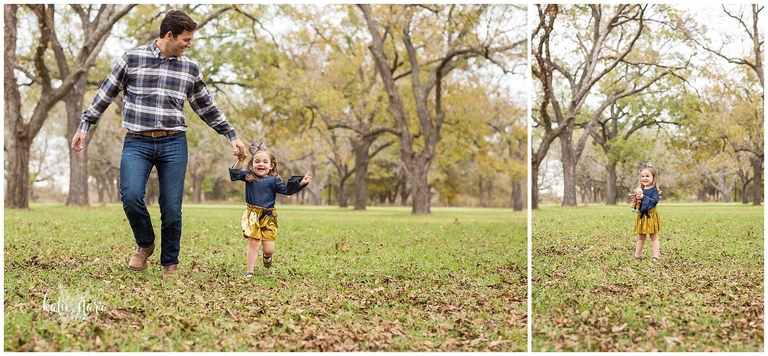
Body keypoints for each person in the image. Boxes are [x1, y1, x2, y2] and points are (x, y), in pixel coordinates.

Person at [70, 10, 247, 279]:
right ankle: (145, 243)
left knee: (172, 207)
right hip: (137, 141)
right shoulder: (132, 58)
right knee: (130, 197)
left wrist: (231, 135)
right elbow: (105, 94)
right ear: (169, 35)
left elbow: (206, 106)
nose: (189, 44)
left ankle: (170, 263)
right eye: (186, 39)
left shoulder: (190, 68)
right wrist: (85, 126)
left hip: (174, 143)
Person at [230, 142, 311, 278]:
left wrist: (301, 183)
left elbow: (287, 190)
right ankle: (249, 271)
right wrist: (239, 160)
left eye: (265, 162)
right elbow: (234, 175)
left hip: (269, 216)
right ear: (251, 165)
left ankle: (267, 256)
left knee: (269, 248)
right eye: (257, 161)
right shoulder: (249, 177)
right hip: (252, 215)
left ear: (271, 165)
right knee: (254, 243)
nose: (261, 164)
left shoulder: (274, 180)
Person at [633, 162, 662, 261]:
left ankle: (656, 256)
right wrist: (636, 200)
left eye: (647, 176)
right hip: (642, 216)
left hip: (651, 215)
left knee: (654, 237)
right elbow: (637, 202)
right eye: (642, 176)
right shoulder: (640, 189)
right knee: (641, 237)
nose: (644, 178)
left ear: (653, 178)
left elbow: (654, 201)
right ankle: (637, 256)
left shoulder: (654, 190)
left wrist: (643, 197)